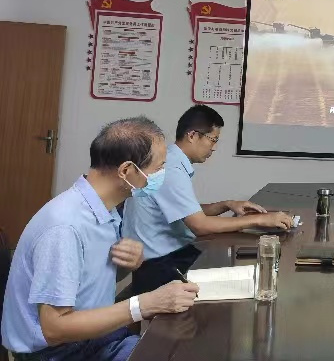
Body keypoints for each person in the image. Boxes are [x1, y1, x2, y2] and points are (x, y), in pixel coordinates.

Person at [1, 117, 199, 361]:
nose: (162, 175)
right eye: (159, 168)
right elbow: (54, 328)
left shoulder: (104, 211)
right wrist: (144, 304)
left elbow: (86, 284)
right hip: (58, 351)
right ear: (126, 171)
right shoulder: (65, 227)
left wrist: (129, 265)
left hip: (94, 337)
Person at [123, 105, 292, 294]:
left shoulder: (171, 160)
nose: (214, 147)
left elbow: (185, 211)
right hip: (159, 265)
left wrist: (226, 205)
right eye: (213, 139)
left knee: (232, 263)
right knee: (236, 279)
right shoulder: (171, 169)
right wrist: (260, 220)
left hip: (167, 254)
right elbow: (200, 225)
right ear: (192, 135)